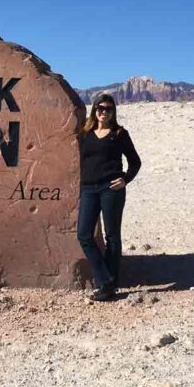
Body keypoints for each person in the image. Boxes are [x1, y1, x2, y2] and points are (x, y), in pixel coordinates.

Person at [77, 93, 142, 302]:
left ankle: (109, 284)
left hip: (111, 189)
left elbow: (135, 162)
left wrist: (125, 179)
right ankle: (104, 278)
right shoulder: (85, 134)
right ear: (94, 109)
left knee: (112, 236)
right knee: (84, 234)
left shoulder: (119, 134)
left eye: (108, 109)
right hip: (88, 189)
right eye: (100, 108)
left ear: (113, 112)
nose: (103, 112)